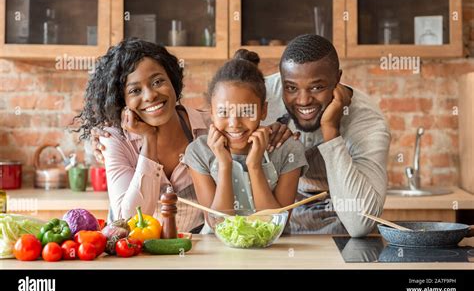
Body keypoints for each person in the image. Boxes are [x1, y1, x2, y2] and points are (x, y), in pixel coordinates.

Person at [80, 39, 294, 231]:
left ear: (172, 80)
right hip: (135, 253)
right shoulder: (114, 140)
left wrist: (278, 126)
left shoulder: (211, 128)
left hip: (196, 250)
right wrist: (149, 141)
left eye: (157, 82)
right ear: (121, 100)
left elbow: (250, 108)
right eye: (135, 90)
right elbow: (128, 222)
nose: (151, 95)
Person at [263, 34, 391, 237]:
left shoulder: (367, 123)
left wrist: (331, 131)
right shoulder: (263, 96)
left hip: (341, 229)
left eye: (317, 87)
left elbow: (360, 224)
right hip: (273, 225)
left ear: (337, 79)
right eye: (291, 88)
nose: (303, 100)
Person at [182, 57, 308, 229]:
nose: (234, 123)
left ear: (263, 111)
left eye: (247, 111)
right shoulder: (198, 152)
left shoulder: (287, 149)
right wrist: (225, 165)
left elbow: (274, 225)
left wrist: (255, 166)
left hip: (273, 252)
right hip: (216, 251)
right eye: (224, 112)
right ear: (211, 112)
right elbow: (218, 225)